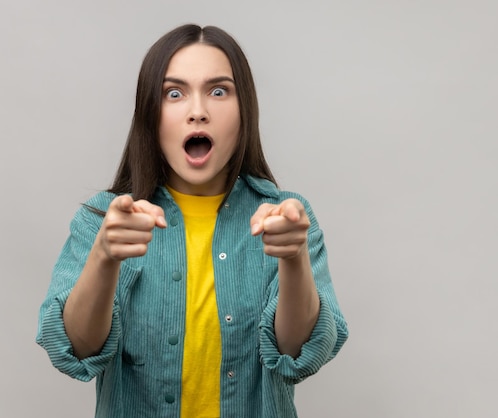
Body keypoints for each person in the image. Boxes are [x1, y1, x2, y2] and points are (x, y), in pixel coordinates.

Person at [36, 24, 348, 418]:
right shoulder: (104, 220)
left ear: (244, 109)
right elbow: (74, 350)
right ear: (151, 113)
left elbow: (299, 353)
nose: (198, 111)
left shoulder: (287, 217)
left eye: (219, 91)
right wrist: (104, 257)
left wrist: (293, 258)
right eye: (174, 93)